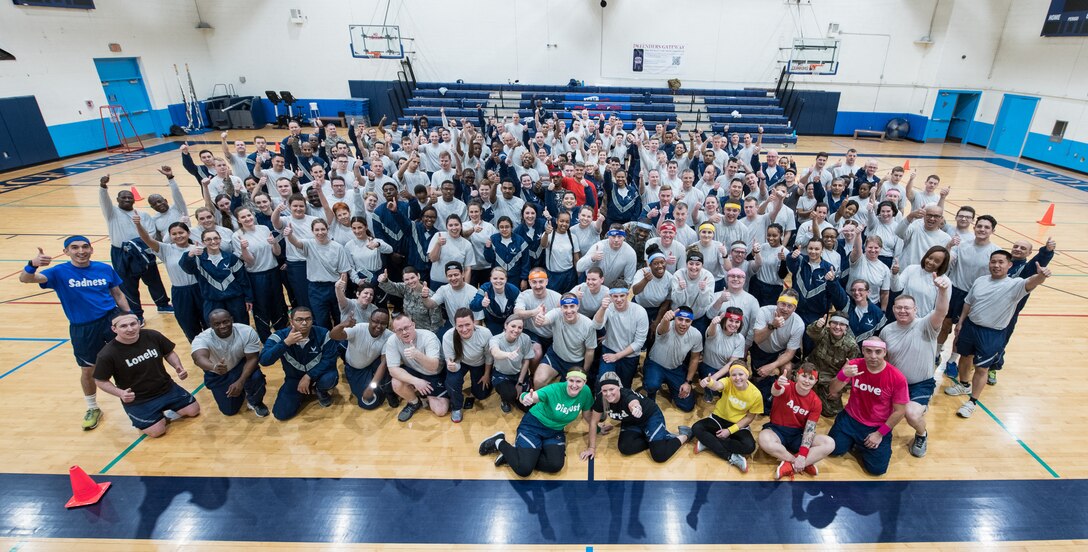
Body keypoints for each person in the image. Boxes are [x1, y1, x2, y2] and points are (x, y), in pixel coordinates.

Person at [20, 236, 131, 430]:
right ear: (66, 252)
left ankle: (140, 394)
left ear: (91, 249)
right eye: (75, 247)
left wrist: (129, 317)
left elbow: (118, 294)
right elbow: (26, 279)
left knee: (129, 358)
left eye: (85, 247)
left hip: (111, 320)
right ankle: (92, 407)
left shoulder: (104, 269)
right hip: (83, 328)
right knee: (89, 370)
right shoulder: (59, 272)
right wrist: (32, 265)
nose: (81, 251)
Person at [944, 251, 1052, 418]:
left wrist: (1041, 277)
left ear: (1009, 265)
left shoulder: (1015, 285)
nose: (996, 265)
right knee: (965, 357)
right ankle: (964, 384)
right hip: (970, 326)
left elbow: (1031, 282)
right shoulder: (980, 281)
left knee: (982, 368)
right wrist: (960, 322)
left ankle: (972, 402)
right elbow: (968, 303)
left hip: (992, 333)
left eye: (1001, 262)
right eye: (993, 262)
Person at [93, 312, 199, 437]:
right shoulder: (107, 354)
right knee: (157, 432)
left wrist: (178, 367)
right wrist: (120, 393)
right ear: (114, 329)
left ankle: (160, 414)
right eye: (124, 326)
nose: (130, 329)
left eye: (133, 324)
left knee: (193, 411)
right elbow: (100, 381)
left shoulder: (152, 335)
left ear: (139, 323)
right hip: (139, 400)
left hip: (166, 389)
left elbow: (168, 352)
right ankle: (157, 418)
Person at [882, 271, 951, 457]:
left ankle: (922, 434)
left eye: (907, 308)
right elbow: (885, 360)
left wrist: (943, 291)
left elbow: (941, 311)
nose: (902, 311)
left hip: (921, 383)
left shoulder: (926, 325)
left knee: (911, 414)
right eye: (898, 308)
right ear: (893, 309)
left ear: (916, 310)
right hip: (896, 384)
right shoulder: (887, 331)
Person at [478, 371, 594, 477]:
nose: (574, 385)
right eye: (571, 381)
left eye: (578, 381)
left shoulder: (586, 392)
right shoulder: (554, 389)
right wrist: (526, 397)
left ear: (584, 382)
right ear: (566, 379)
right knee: (524, 469)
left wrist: (596, 428)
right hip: (533, 426)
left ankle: (516, 454)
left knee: (555, 465)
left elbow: (587, 415)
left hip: (554, 432)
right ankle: (499, 442)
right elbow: (531, 396)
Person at [827, 338, 909, 476]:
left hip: (876, 426)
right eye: (869, 351)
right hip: (850, 419)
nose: (873, 356)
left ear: (884, 352)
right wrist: (842, 375)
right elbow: (832, 390)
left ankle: (859, 443)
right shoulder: (853, 365)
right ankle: (854, 441)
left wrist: (879, 433)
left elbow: (900, 411)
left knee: (877, 470)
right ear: (863, 351)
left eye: (878, 352)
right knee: (834, 450)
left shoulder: (897, 377)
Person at [98, 174, 171, 319]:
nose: (126, 200)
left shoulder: (143, 215)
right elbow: (103, 201)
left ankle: (162, 304)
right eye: (123, 197)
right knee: (128, 286)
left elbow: (150, 234)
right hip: (121, 254)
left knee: (154, 280)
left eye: (129, 197)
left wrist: (135, 244)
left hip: (143, 252)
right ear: (117, 200)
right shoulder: (111, 213)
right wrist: (103, 186)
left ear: (134, 199)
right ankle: (136, 314)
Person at [583, 372, 692, 463]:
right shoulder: (601, 399)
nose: (608, 393)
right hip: (631, 421)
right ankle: (655, 437)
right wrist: (591, 448)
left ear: (619, 387)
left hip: (650, 416)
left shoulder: (627, 396)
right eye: (605, 390)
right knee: (625, 448)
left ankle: (685, 435)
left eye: (612, 389)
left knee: (659, 455)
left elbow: (634, 403)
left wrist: (636, 408)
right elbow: (593, 422)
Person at [132, 215, 205, 342]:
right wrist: (138, 225)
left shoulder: (198, 249)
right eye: (174, 234)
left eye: (181, 232)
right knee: (189, 326)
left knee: (208, 322)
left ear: (188, 233)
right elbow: (146, 239)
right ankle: (199, 351)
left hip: (200, 290)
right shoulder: (166, 249)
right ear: (170, 236)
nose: (178, 236)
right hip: (180, 293)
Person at [259, 307, 341, 420]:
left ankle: (320, 391)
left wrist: (309, 376)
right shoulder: (280, 336)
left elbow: (330, 360)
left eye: (308, 319)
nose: (304, 323)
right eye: (299, 319)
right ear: (291, 321)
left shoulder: (323, 333)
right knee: (280, 414)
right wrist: (286, 343)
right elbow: (264, 360)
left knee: (331, 377)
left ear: (312, 320)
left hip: (318, 376)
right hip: (294, 378)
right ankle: (302, 392)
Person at [759, 364, 836, 480]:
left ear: (815, 381)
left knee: (829, 443)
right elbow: (775, 392)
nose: (806, 381)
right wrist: (777, 384)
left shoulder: (816, 402)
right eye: (804, 376)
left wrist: (803, 454)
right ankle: (798, 463)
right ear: (797, 376)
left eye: (811, 378)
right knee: (763, 439)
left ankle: (789, 465)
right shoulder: (786, 386)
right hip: (777, 430)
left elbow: (809, 429)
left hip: (798, 435)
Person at [190, 309, 269, 417]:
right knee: (229, 411)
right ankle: (241, 390)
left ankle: (256, 402)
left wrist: (241, 381)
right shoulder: (202, 338)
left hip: (240, 366)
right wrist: (213, 366)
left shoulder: (246, 331)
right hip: (218, 373)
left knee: (256, 376)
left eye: (225, 321)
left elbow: (252, 358)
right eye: (217, 324)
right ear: (211, 325)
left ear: (231, 320)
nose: (222, 326)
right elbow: (199, 358)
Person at [693, 361, 764, 473]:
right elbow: (718, 385)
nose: (737, 378)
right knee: (696, 428)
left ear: (747, 374)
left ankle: (708, 442)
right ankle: (730, 457)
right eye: (733, 375)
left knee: (750, 447)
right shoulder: (728, 381)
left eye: (741, 374)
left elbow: (749, 418)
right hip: (718, 418)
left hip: (738, 424)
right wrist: (709, 382)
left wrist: (730, 431)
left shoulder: (756, 394)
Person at [178, 228, 253, 326]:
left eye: (216, 238)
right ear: (203, 242)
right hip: (212, 302)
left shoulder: (231, 258)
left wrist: (248, 298)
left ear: (220, 240)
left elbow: (243, 279)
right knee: (216, 330)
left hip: (235, 300)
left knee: (241, 326)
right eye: (208, 239)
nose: (213, 242)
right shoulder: (198, 259)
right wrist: (190, 254)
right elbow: (187, 269)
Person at [330, 309, 397, 410]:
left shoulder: (389, 336)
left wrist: (371, 387)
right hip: (356, 368)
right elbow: (333, 335)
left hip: (373, 363)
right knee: (367, 403)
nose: (379, 326)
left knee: (389, 364)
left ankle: (388, 390)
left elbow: (383, 364)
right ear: (370, 320)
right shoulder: (358, 328)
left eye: (383, 323)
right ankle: (379, 387)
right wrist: (342, 325)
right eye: (376, 321)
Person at [385, 314, 447, 422]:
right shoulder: (392, 340)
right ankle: (414, 402)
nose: (404, 332)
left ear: (413, 325)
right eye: (399, 330)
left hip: (434, 373)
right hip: (415, 371)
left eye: (406, 328)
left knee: (440, 411)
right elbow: (393, 370)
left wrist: (417, 354)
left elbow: (433, 366)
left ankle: (427, 395)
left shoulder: (428, 337)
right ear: (394, 331)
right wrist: (416, 381)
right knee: (396, 383)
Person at [642, 306, 703, 412]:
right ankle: (651, 392)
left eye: (687, 321)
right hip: (655, 364)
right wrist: (665, 320)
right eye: (680, 319)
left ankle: (670, 386)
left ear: (691, 321)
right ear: (675, 319)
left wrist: (687, 382)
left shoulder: (696, 334)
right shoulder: (667, 326)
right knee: (652, 385)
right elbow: (662, 329)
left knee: (687, 405)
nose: (683, 323)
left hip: (675, 369)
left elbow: (694, 359)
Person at [750, 290, 805, 406]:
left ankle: (781, 397)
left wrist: (772, 366)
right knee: (758, 380)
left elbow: (790, 353)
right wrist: (772, 326)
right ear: (777, 303)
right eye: (783, 304)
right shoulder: (764, 311)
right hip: (762, 349)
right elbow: (757, 339)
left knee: (787, 368)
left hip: (781, 351)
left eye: (790, 306)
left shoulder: (798, 324)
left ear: (795, 308)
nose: (785, 309)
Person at [532, 294, 598, 388]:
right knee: (539, 380)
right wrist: (540, 318)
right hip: (555, 356)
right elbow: (544, 321)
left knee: (570, 390)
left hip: (575, 362)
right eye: (565, 307)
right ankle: (542, 402)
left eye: (572, 306)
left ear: (578, 306)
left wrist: (584, 371)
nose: (568, 310)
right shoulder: (556, 313)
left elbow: (590, 351)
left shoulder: (588, 325)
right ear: (561, 308)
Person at [443, 308, 494, 423]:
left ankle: (478, 384)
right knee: (452, 381)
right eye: (460, 326)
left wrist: (486, 374)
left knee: (481, 395)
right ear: (455, 325)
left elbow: (489, 357)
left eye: (467, 325)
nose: (464, 329)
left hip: (479, 364)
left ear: (474, 322)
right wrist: (452, 366)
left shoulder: (485, 333)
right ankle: (456, 407)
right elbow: (451, 361)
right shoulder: (448, 336)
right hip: (460, 362)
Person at [594, 287, 649, 389]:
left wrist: (617, 356)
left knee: (624, 386)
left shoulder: (640, 312)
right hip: (609, 350)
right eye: (615, 296)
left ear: (627, 295)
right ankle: (601, 403)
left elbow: (639, 343)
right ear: (610, 297)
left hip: (630, 356)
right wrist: (602, 308)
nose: (618, 299)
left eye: (622, 296)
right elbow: (597, 326)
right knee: (604, 381)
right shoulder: (608, 308)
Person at [489, 315, 535, 413]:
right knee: (510, 395)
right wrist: (508, 354)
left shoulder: (525, 338)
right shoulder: (496, 339)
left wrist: (520, 382)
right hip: (502, 374)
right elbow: (495, 353)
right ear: (506, 325)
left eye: (520, 327)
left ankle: (518, 394)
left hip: (519, 373)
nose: (516, 330)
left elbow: (526, 360)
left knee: (528, 407)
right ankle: (505, 399)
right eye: (513, 326)